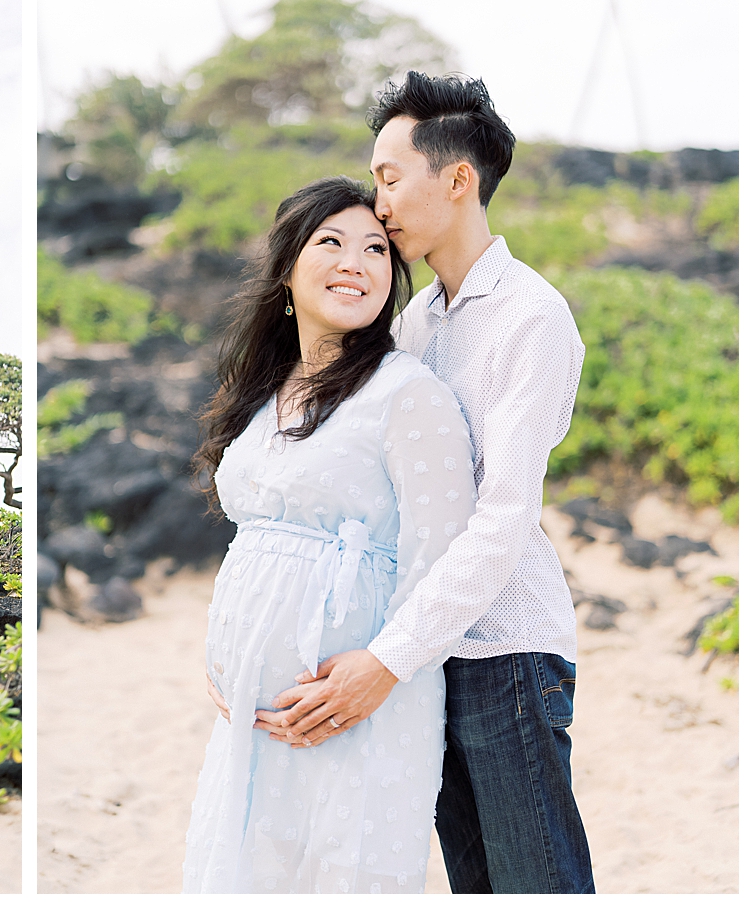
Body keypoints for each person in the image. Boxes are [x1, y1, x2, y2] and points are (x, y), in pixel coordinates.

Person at [251, 72, 595, 894]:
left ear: (458, 179)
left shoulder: (530, 317)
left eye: (389, 176)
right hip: (430, 653)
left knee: (539, 885)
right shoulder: (414, 320)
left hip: (505, 647)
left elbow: (503, 517)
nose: (380, 203)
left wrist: (386, 659)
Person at [182, 175, 478, 894]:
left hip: (361, 706)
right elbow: (258, 548)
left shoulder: (408, 394)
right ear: (287, 268)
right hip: (250, 714)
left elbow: (442, 559)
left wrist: (376, 670)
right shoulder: (261, 393)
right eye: (332, 242)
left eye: (377, 249)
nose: (357, 261)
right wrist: (233, 649)